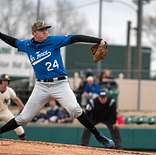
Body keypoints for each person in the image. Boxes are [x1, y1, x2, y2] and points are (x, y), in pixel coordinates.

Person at [0, 20, 114, 148]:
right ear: (34, 33)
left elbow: (75, 38)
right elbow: (14, 42)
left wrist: (98, 40)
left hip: (60, 84)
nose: (45, 32)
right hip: (41, 86)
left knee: (75, 110)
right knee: (24, 118)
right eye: (42, 30)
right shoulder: (27, 45)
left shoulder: (53, 40)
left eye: (46, 29)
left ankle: (99, 136)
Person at [0, 74, 26, 140]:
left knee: (18, 127)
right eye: (4, 81)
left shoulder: (9, 90)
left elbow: (16, 99)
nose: (6, 82)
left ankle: (24, 143)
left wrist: (23, 108)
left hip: (4, 111)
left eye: (7, 81)